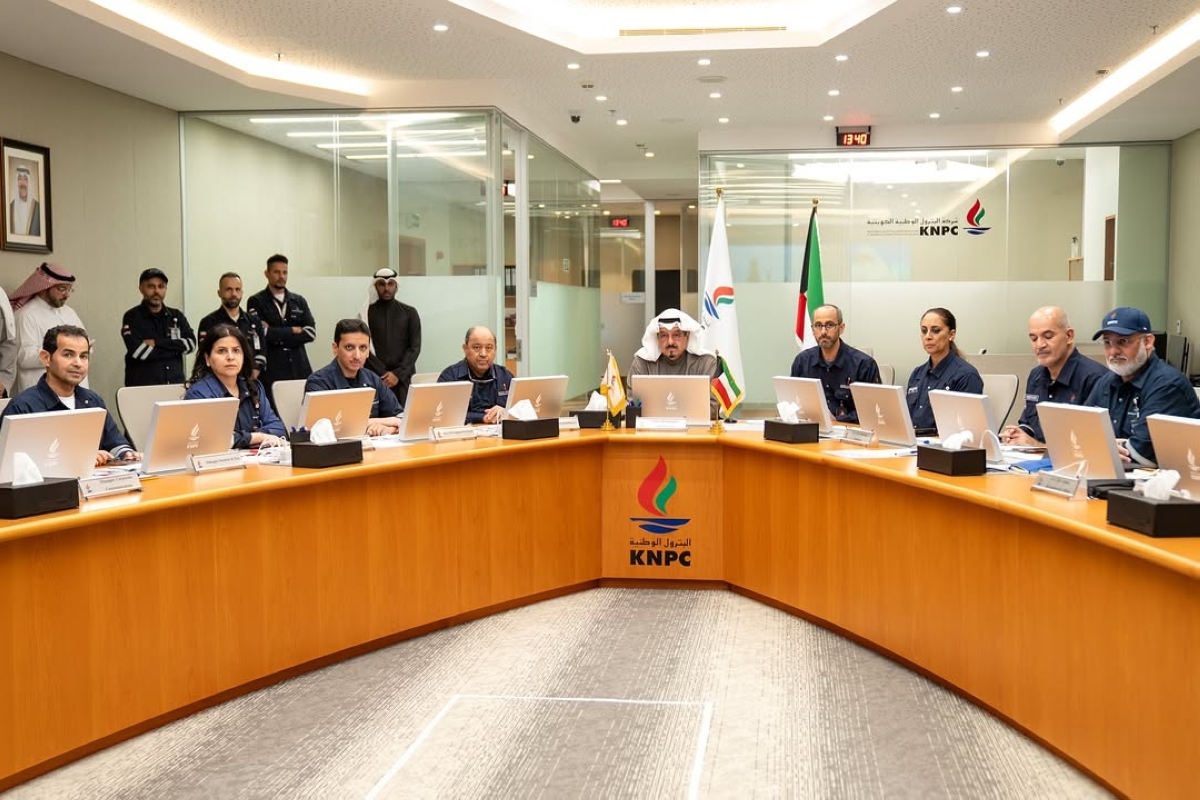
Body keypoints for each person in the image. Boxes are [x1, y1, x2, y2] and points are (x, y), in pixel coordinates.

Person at [1, 325, 139, 466]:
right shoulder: (23, 407)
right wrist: (78, 458)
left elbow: (115, 443)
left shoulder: (92, 400)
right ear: (46, 358)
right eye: (68, 355)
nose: (78, 363)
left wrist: (128, 454)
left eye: (83, 356)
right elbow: (9, 464)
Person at [1085, 307, 1200, 466]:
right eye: (1107, 343)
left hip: (1162, 479)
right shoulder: (1107, 381)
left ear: (1147, 342)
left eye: (1123, 341)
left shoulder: (1167, 385)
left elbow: (1141, 455)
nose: (1113, 351)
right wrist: (1101, 447)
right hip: (1112, 475)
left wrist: (1098, 447)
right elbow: (1080, 432)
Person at [1001, 306, 1108, 446]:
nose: (1040, 345)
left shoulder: (1096, 379)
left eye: (1048, 336)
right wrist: (1017, 435)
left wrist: (1035, 445)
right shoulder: (1036, 375)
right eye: (1033, 339)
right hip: (1031, 458)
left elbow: (1090, 448)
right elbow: (1029, 423)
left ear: (1069, 336)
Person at [184, 324, 286, 449]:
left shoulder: (253, 387)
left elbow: (278, 429)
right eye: (221, 351)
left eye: (236, 351)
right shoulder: (199, 394)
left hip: (257, 458)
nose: (230, 357)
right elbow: (213, 439)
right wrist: (258, 437)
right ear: (207, 359)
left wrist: (243, 438)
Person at [305, 318, 403, 436]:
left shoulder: (373, 379)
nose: (357, 356)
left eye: (363, 348)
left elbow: (401, 417)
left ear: (368, 351)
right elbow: (324, 429)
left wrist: (389, 429)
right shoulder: (318, 382)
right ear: (335, 348)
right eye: (349, 347)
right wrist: (389, 421)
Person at [788, 303, 880, 423]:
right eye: (818, 325)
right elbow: (793, 402)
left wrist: (837, 420)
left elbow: (873, 411)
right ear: (812, 329)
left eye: (830, 325)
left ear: (841, 328)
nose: (823, 332)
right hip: (810, 429)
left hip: (849, 431)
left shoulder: (864, 365)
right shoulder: (802, 361)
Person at [10, 263, 88, 394]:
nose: (67, 295)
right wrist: (58, 354)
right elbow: (23, 357)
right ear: (43, 288)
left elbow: (84, 345)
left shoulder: (69, 313)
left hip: (74, 392)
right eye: (62, 289)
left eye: (70, 290)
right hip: (41, 393)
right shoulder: (26, 315)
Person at [246, 254, 316, 399]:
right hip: (272, 370)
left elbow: (310, 333)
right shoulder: (256, 301)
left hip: (299, 367)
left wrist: (275, 333)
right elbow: (261, 333)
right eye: (276, 272)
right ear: (267, 274)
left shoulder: (298, 301)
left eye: (285, 272)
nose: (281, 276)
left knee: (303, 407)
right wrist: (293, 330)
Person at [628, 308, 720, 419]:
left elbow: (713, 409)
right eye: (664, 335)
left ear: (688, 335)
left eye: (676, 335)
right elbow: (633, 406)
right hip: (651, 429)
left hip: (694, 428)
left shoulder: (706, 362)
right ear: (657, 338)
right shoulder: (642, 362)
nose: (670, 342)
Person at [905, 306, 984, 431]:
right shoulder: (917, 373)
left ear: (951, 334)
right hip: (914, 439)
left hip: (945, 441)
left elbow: (967, 428)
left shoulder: (966, 375)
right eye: (924, 331)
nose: (928, 336)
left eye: (935, 331)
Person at [120, 268, 197, 386]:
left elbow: (191, 345)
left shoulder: (176, 316)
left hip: (175, 386)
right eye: (151, 286)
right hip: (142, 388)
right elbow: (139, 352)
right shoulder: (132, 317)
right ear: (141, 288)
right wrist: (175, 348)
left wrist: (156, 343)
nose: (157, 291)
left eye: (161, 286)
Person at [360, 267, 421, 407]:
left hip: (403, 379)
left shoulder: (410, 313)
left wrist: (397, 374)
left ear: (396, 286)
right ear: (375, 286)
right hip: (375, 378)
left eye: (390, 284)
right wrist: (382, 374)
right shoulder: (366, 314)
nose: (386, 288)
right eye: (382, 284)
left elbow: (415, 347)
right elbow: (364, 347)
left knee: (404, 415)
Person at [438, 325, 513, 424]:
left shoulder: (505, 376)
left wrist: (506, 411)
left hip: (499, 431)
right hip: (463, 432)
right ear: (465, 349)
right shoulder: (450, 377)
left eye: (489, 348)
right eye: (477, 347)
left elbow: (520, 409)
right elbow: (442, 414)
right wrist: (482, 417)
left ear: (495, 350)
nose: (483, 354)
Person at [197, 272, 266, 379]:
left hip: (251, 380)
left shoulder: (254, 321)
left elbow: (262, 351)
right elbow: (205, 354)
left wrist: (253, 373)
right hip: (220, 381)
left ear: (242, 293)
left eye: (237, 289)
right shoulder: (208, 323)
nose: (234, 294)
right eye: (228, 289)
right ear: (219, 293)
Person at [8, 165, 41, 237]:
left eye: (25, 179)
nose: (22, 183)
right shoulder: (10, 208)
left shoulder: (38, 208)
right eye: (19, 179)